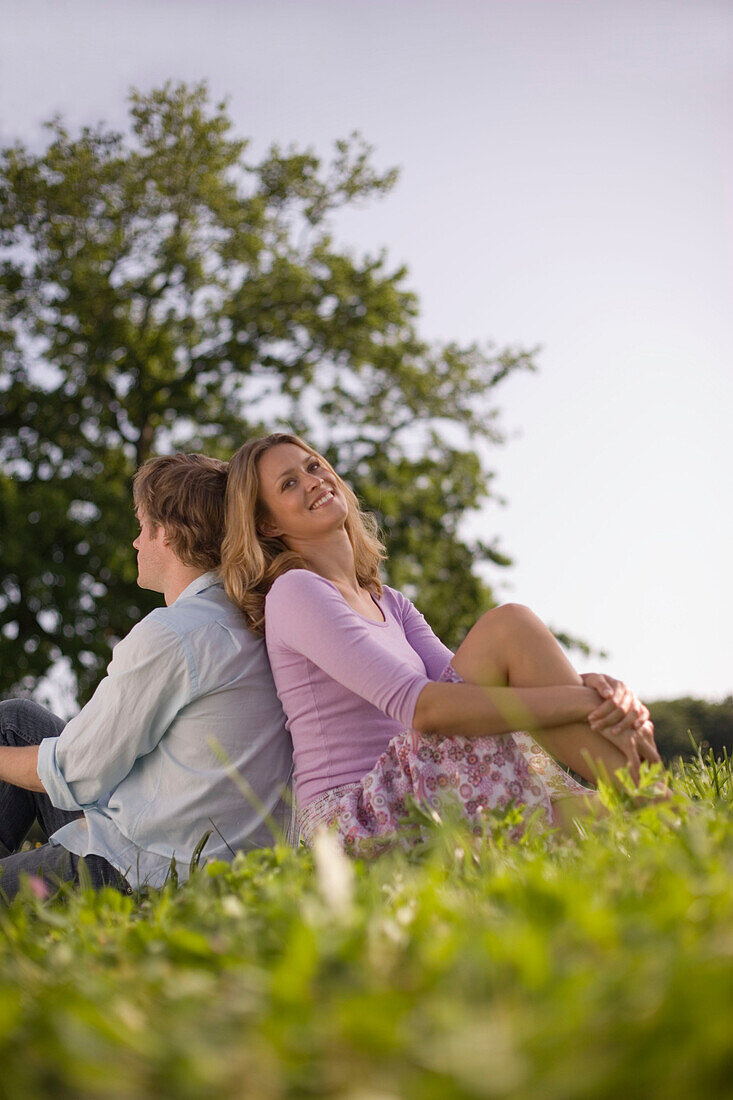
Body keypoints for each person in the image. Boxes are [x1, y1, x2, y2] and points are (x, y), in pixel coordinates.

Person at [221, 433, 661, 855]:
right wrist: (583, 702)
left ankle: (659, 800)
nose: (313, 480)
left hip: (425, 781)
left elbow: (484, 695)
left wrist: (595, 689)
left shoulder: (390, 603)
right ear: (268, 522)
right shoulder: (296, 591)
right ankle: (652, 793)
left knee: (623, 819)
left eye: (313, 465)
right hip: (357, 816)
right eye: (289, 483)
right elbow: (426, 709)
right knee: (510, 627)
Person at [0, 453, 294, 903]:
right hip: (201, 851)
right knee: (17, 720)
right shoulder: (257, 618)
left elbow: (76, 773)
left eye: (142, 526)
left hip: (143, 872)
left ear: (169, 532)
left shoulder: (176, 633)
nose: (136, 542)